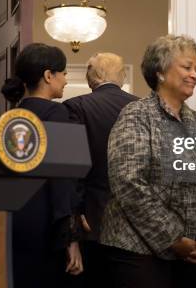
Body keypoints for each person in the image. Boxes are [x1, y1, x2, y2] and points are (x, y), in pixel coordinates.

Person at [100, 35, 196, 288]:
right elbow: (127, 181)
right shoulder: (136, 114)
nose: (195, 75)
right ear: (161, 71)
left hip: (192, 256)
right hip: (137, 253)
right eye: (187, 67)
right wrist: (173, 239)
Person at [1, 43, 83, 288]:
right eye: (64, 73)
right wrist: (70, 238)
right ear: (49, 76)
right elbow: (62, 178)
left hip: (13, 223)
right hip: (46, 226)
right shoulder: (56, 114)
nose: (66, 79)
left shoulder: (10, 116)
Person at [63, 52, 138, 288]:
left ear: (92, 77)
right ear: (122, 77)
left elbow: (73, 168)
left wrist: (75, 214)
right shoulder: (142, 107)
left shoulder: (76, 106)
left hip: (92, 220)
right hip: (138, 221)